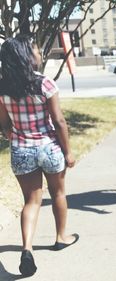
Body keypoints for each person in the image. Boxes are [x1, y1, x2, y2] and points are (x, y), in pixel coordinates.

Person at [0, 35, 79, 277]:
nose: (38, 52)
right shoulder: (45, 84)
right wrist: (68, 151)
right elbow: (59, 121)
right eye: (34, 49)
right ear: (26, 56)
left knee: (31, 201)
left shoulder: (2, 88)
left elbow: (4, 126)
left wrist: (14, 136)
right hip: (49, 147)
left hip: (22, 149)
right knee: (58, 193)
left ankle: (26, 248)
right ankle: (61, 237)